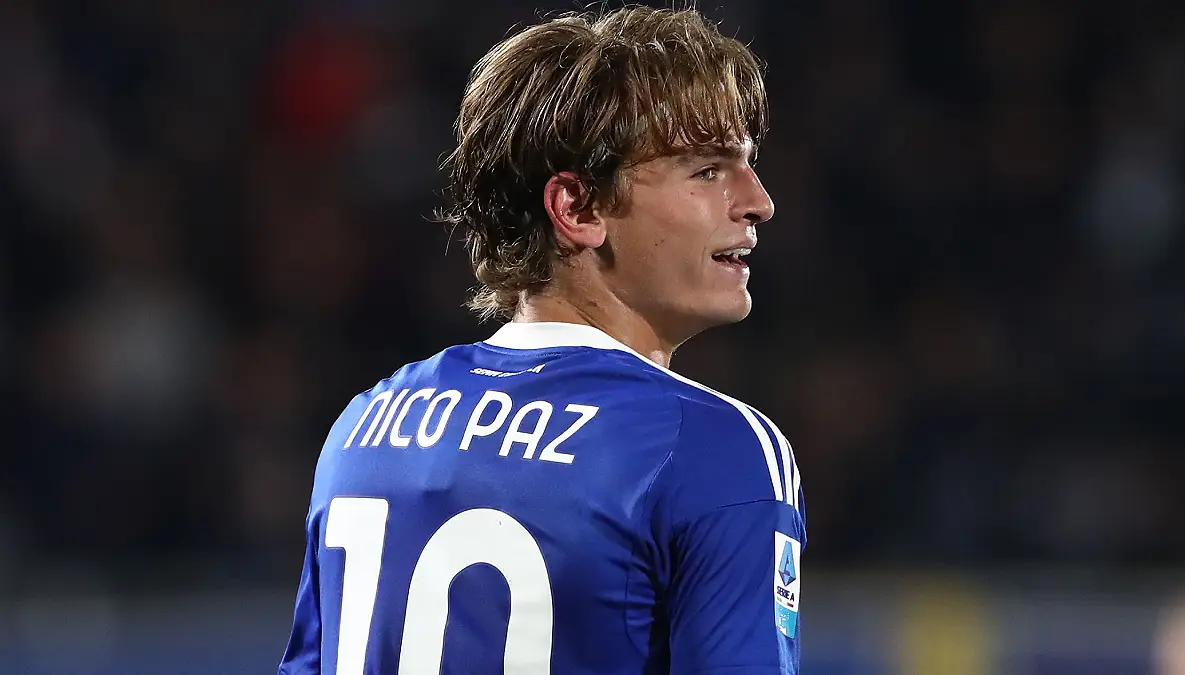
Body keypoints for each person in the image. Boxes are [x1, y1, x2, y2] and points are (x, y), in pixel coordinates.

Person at [279, 5, 805, 674]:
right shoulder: (713, 449)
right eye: (707, 170)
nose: (758, 201)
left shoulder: (365, 428)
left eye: (747, 164)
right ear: (577, 208)